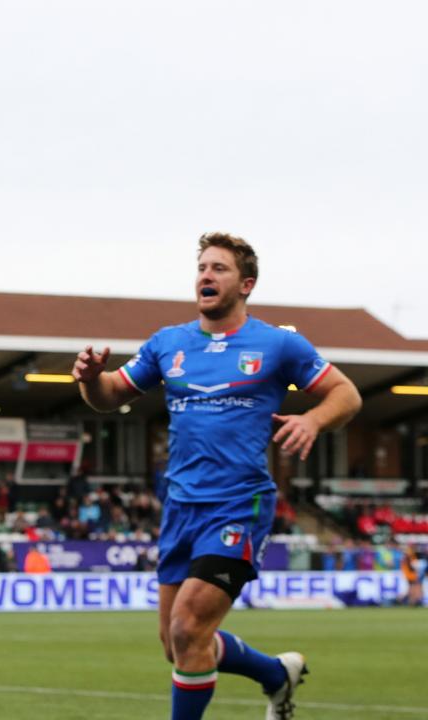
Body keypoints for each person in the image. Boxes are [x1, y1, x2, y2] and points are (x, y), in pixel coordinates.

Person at [72, 232, 362, 720]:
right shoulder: (169, 344)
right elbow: (111, 395)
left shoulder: (278, 344)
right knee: (177, 643)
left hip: (239, 504)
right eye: (202, 267)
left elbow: (347, 394)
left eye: (219, 268)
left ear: (246, 283)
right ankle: (275, 674)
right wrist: (88, 379)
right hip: (181, 507)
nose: (206, 275)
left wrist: (312, 419)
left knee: (189, 628)